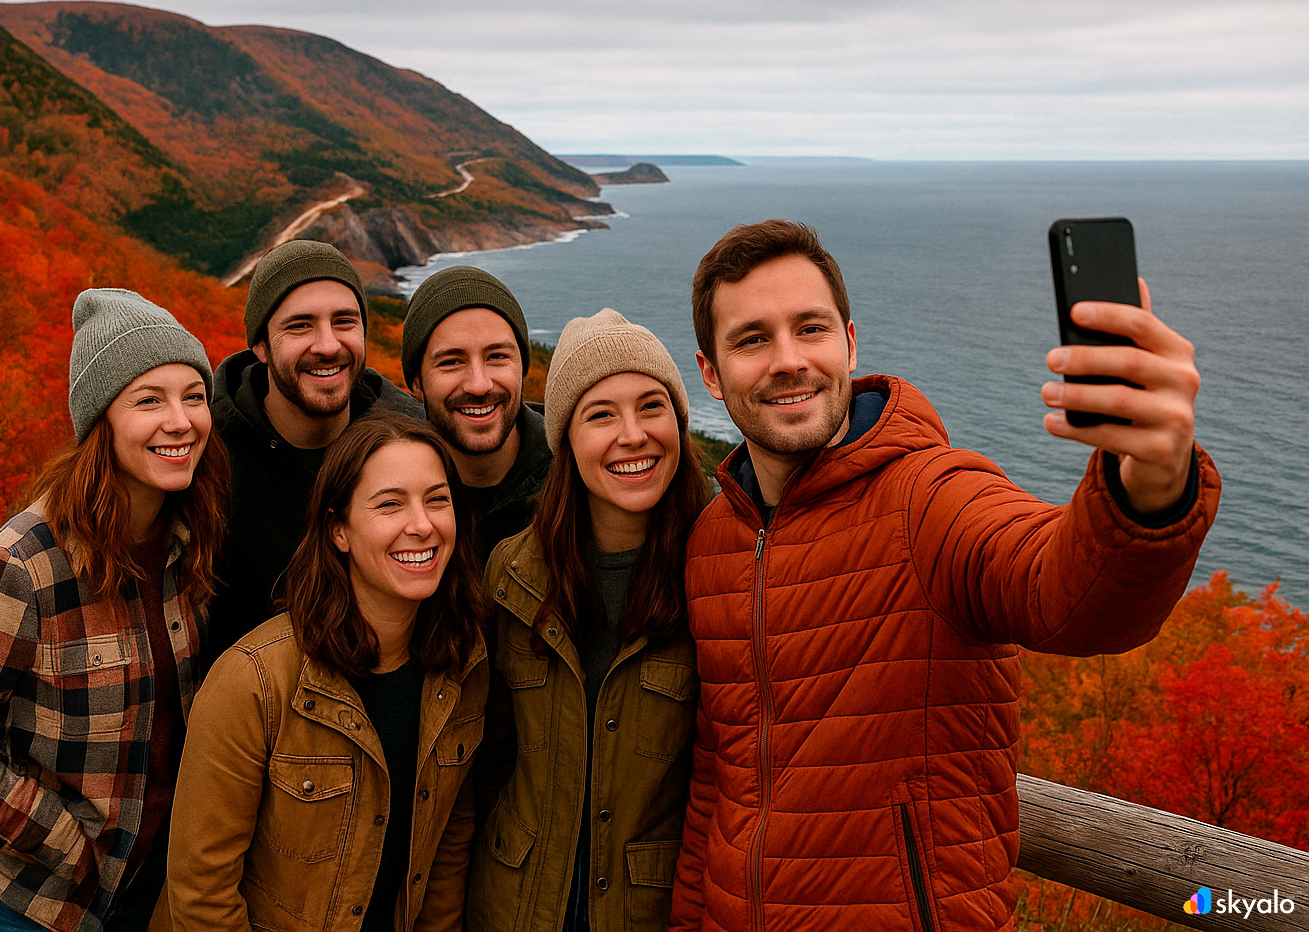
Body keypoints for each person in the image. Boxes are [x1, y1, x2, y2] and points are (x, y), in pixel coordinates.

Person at [668, 220, 1220, 931]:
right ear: (710, 371)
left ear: (850, 343)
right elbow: (719, 782)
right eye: (752, 339)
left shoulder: (933, 497)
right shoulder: (713, 540)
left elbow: (1070, 596)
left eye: (811, 329)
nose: (787, 360)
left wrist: (1149, 483)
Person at [0, 289, 229, 932]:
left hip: (144, 892)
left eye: (193, 395)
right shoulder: (25, 566)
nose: (181, 420)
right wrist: (69, 846)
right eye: (148, 400)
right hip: (27, 904)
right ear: (100, 421)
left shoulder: (188, 543)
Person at [165, 411, 489, 932]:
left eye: (437, 499)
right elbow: (201, 893)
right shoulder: (253, 682)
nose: (422, 524)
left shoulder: (461, 665)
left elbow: (448, 845)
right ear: (339, 530)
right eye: (390, 504)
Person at [468, 309, 709, 932]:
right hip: (514, 903)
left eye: (652, 407)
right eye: (600, 414)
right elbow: (487, 760)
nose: (633, 435)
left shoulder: (720, 567)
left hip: (652, 910)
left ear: (680, 424)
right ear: (566, 440)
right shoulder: (513, 574)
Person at [205, 239, 422, 666]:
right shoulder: (208, 455)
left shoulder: (409, 439)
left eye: (345, 321)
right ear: (261, 345)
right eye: (300, 325)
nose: (327, 345)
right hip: (249, 718)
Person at [402, 266, 553, 563]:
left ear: (522, 369)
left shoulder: (575, 477)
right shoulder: (385, 485)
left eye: (497, 357)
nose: (479, 385)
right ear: (417, 383)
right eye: (451, 362)